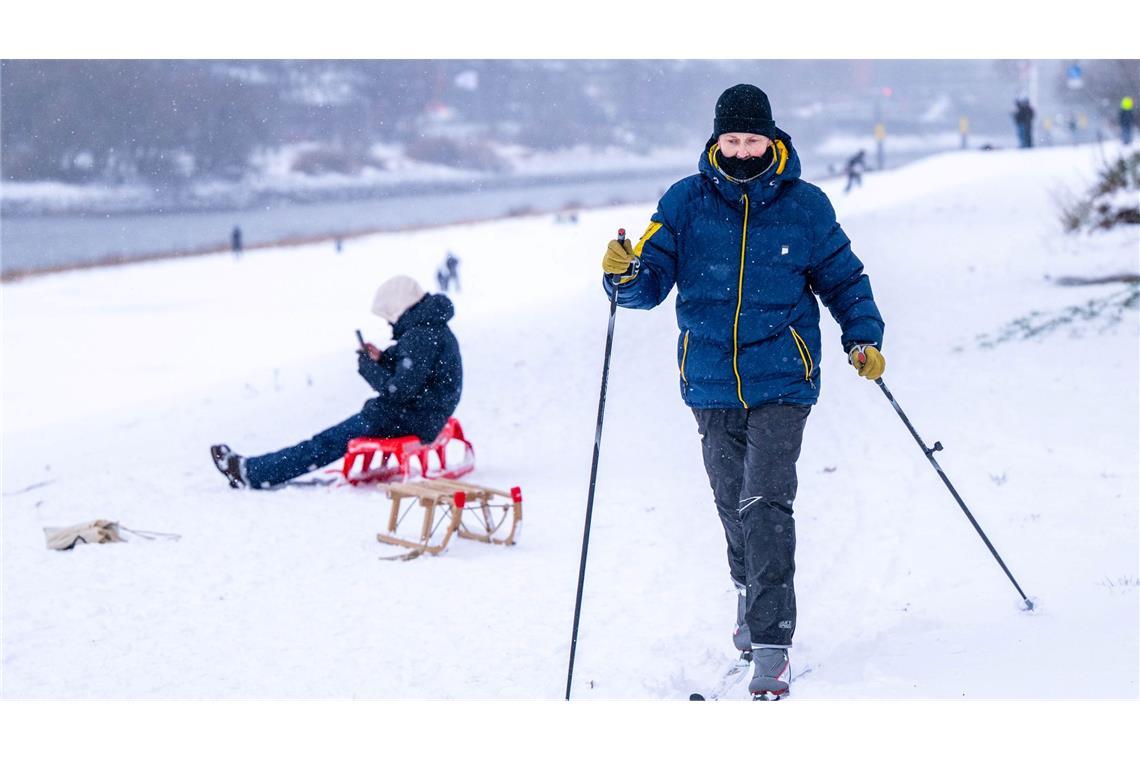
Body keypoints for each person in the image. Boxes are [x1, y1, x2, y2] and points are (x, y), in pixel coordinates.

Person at [600, 84, 886, 699]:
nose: (741, 151)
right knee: (732, 503)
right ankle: (747, 590)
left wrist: (861, 337)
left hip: (784, 376)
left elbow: (844, 279)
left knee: (766, 503)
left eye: (752, 140)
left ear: (771, 138)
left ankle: (772, 643)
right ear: (716, 140)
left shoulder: (805, 206)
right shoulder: (685, 201)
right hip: (709, 380)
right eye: (731, 140)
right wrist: (622, 275)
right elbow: (648, 284)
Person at [211, 275, 462, 490]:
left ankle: (252, 472)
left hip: (411, 418)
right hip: (423, 415)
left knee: (325, 442)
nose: (388, 322)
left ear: (399, 308)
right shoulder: (431, 327)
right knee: (326, 440)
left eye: (388, 316)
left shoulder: (421, 335)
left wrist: (368, 369)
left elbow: (398, 390)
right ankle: (256, 470)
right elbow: (414, 370)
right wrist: (382, 358)